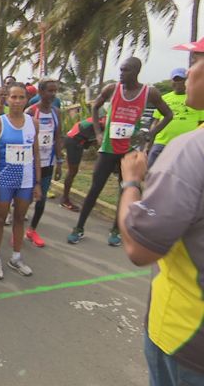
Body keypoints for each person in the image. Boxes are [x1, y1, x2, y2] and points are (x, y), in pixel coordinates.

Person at [117, 38, 204, 385]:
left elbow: (140, 249)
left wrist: (131, 183)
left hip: (187, 337)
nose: (188, 74)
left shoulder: (192, 152)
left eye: (195, 61)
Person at [67, 57, 173, 246]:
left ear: (136, 72)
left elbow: (168, 114)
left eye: (126, 71)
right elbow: (95, 105)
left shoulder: (150, 92)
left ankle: (116, 230)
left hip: (130, 150)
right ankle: (79, 227)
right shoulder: (112, 89)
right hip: (108, 148)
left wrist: (151, 134)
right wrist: (98, 133)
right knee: (94, 189)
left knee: (125, 191)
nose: (121, 74)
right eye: (121, 70)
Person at [0, 82, 41, 280]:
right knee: (0, 219)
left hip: (25, 181)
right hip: (4, 180)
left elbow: (35, 154)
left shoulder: (32, 123)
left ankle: (16, 257)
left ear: (26, 100)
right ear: (7, 99)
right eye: (14, 97)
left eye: (21, 97)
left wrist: (37, 183)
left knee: (19, 218)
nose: (17, 101)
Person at [24, 78, 63, 247]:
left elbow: (58, 137)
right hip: (31, 163)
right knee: (26, 198)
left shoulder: (56, 112)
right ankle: (18, 228)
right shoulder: (31, 112)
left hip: (48, 162)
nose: (53, 94)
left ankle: (32, 230)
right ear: (40, 92)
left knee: (42, 197)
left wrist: (60, 160)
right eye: (50, 91)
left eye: (55, 91)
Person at [147, 67, 204, 167]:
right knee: (150, 170)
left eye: (181, 80)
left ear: (187, 81)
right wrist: (149, 141)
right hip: (162, 142)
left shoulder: (195, 98)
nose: (178, 83)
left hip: (185, 145)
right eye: (175, 80)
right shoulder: (163, 98)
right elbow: (155, 121)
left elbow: (201, 124)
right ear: (171, 81)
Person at [59, 115, 106, 211]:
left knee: (72, 171)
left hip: (74, 140)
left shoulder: (98, 119)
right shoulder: (101, 123)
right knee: (72, 172)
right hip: (74, 142)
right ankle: (64, 199)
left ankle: (66, 198)